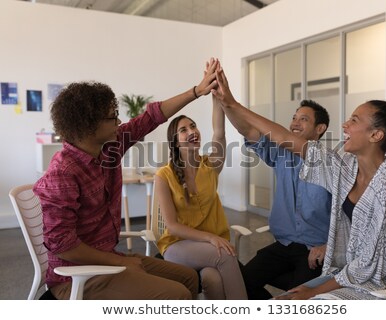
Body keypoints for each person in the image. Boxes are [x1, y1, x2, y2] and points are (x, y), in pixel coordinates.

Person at [212, 68, 386, 300]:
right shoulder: (345, 167)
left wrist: (316, 289)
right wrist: (229, 103)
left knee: (303, 298)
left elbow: (374, 263)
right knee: (277, 294)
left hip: (384, 285)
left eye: (354, 120)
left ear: (376, 135)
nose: (345, 125)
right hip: (350, 272)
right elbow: (281, 136)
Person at [33, 58, 219, 300]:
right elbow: (63, 246)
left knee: (190, 278)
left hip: (109, 259)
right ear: (89, 126)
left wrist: (197, 91)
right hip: (76, 277)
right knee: (178, 294)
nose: (118, 122)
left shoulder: (108, 148)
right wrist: (117, 261)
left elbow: (151, 117)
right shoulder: (62, 174)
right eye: (112, 117)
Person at [222, 95, 332, 299]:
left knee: (298, 296)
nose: (295, 123)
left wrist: (328, 246)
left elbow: (347, 216)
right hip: (284, 244)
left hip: (314, 249)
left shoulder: (329, 162)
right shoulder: (282, 154)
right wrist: (224, 102)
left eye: (303, 119)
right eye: (294, 118)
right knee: (241, 284)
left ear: (320, 128)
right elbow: (247, 130)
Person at [154, 68, 247, 299]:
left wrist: (217, 94)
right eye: (183, 130)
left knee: (211, 278)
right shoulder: (164, 176)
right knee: (226, 256)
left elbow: (219, 132)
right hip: (177, 246)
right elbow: (172, 226)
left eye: (193, 126)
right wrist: (211, 238)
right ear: (175, 142)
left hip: (209, 246)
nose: (191, 131)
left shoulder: (210, 165)